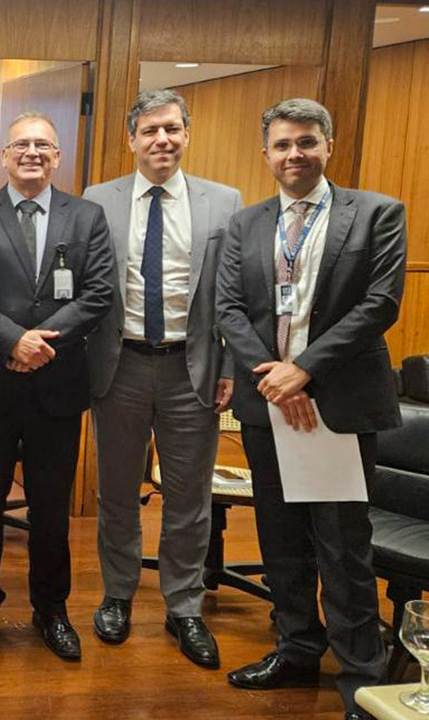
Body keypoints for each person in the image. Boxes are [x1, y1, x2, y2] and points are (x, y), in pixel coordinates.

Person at [217, 98, 406, 720]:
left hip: (339, 403)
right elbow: (229, 310)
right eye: (281, 144)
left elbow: (379, 303)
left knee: (342, 543)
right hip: (268, 401)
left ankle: (361, 673)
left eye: (306, 142)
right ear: (266, 152)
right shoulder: (245, 224)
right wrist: (275, 378)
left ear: (327, 144)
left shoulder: (377, 213)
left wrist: (307, 370)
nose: (293, 154)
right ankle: (297, 646)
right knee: (280, 536)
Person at [82, 90, 242, 667]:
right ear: (131, 140)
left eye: (172, 129)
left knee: (189, 498)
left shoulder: (223, 202)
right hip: (118, 363)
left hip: (191, 368)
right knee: (118, 492)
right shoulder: (98, 201)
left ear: (186, 133)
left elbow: (233, 295)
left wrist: (230, 368)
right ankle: (118, 595)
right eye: (150, 131)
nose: (162, 140)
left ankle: (184, 606)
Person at [0, 112, 114, 662]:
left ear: (57, 155)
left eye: (42, 145)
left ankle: (52, 609)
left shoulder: (87, 215)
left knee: (51, 508)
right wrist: (12, 341)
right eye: (21, 144)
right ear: (4, 155)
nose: (31, 153)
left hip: (58, 384)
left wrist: (40, 343)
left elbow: (98, 295)